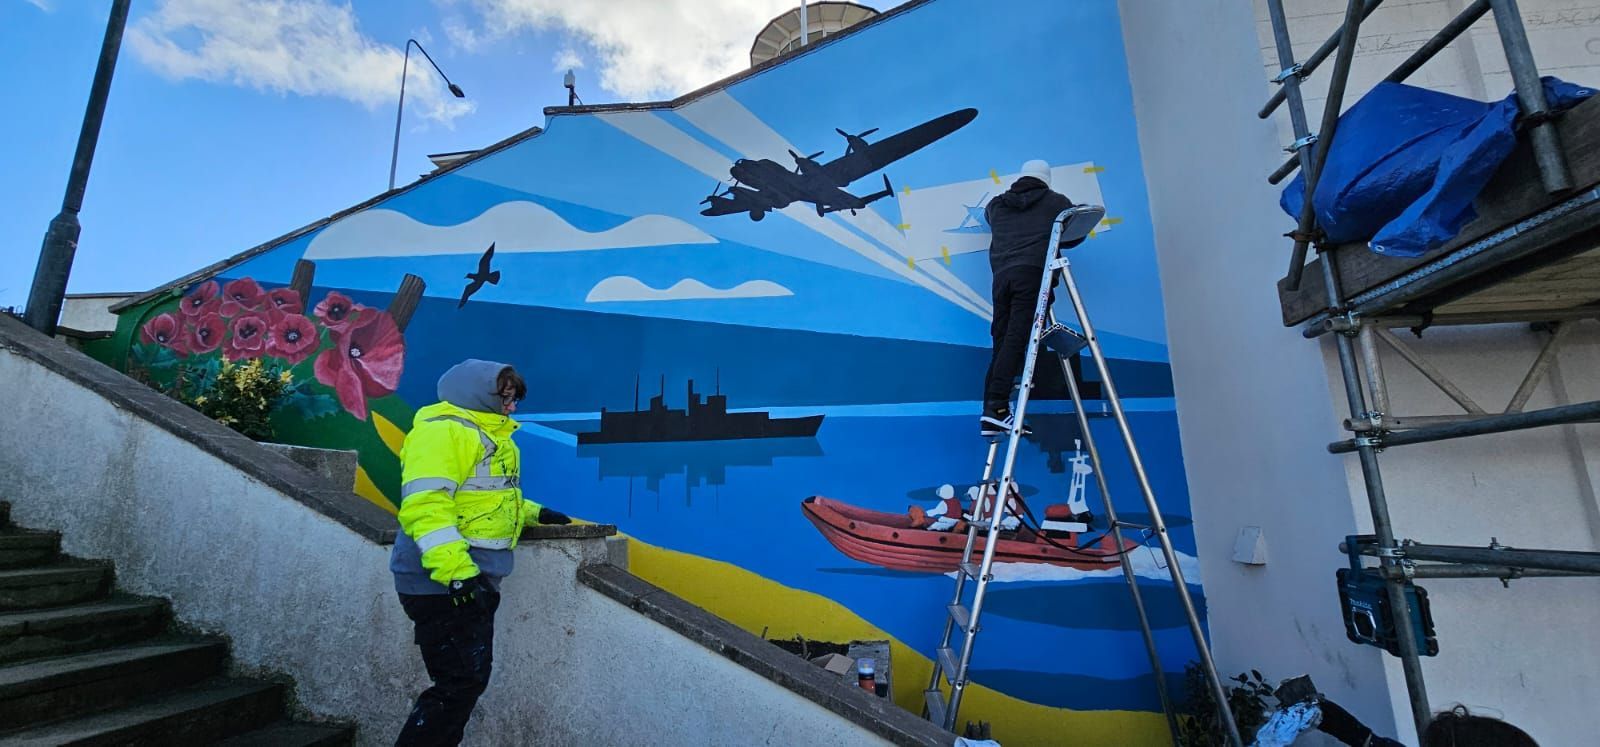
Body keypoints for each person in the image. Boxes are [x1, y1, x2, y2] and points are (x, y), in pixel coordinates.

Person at [389, 359, 572, 746]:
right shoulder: (445, 432)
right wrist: (458, 574)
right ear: (479, 395)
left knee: (463, 683)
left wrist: (532, 513)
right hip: (442, 582)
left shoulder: (488, 434)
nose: (513, 407)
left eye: (514, 399)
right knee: (457, 683)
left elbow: (484, 499)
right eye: (506, 399)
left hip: (468, 579)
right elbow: (426, 506)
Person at [981, 159, 1079, 437]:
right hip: (1033, 274)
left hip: (1002, 278)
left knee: (1001, 340)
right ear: (1046, 179)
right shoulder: (1055, 202)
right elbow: (1071, 237)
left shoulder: (996, 205)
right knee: (1017, 338)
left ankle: (991, 412)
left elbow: (994, 222)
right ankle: (998, 408)